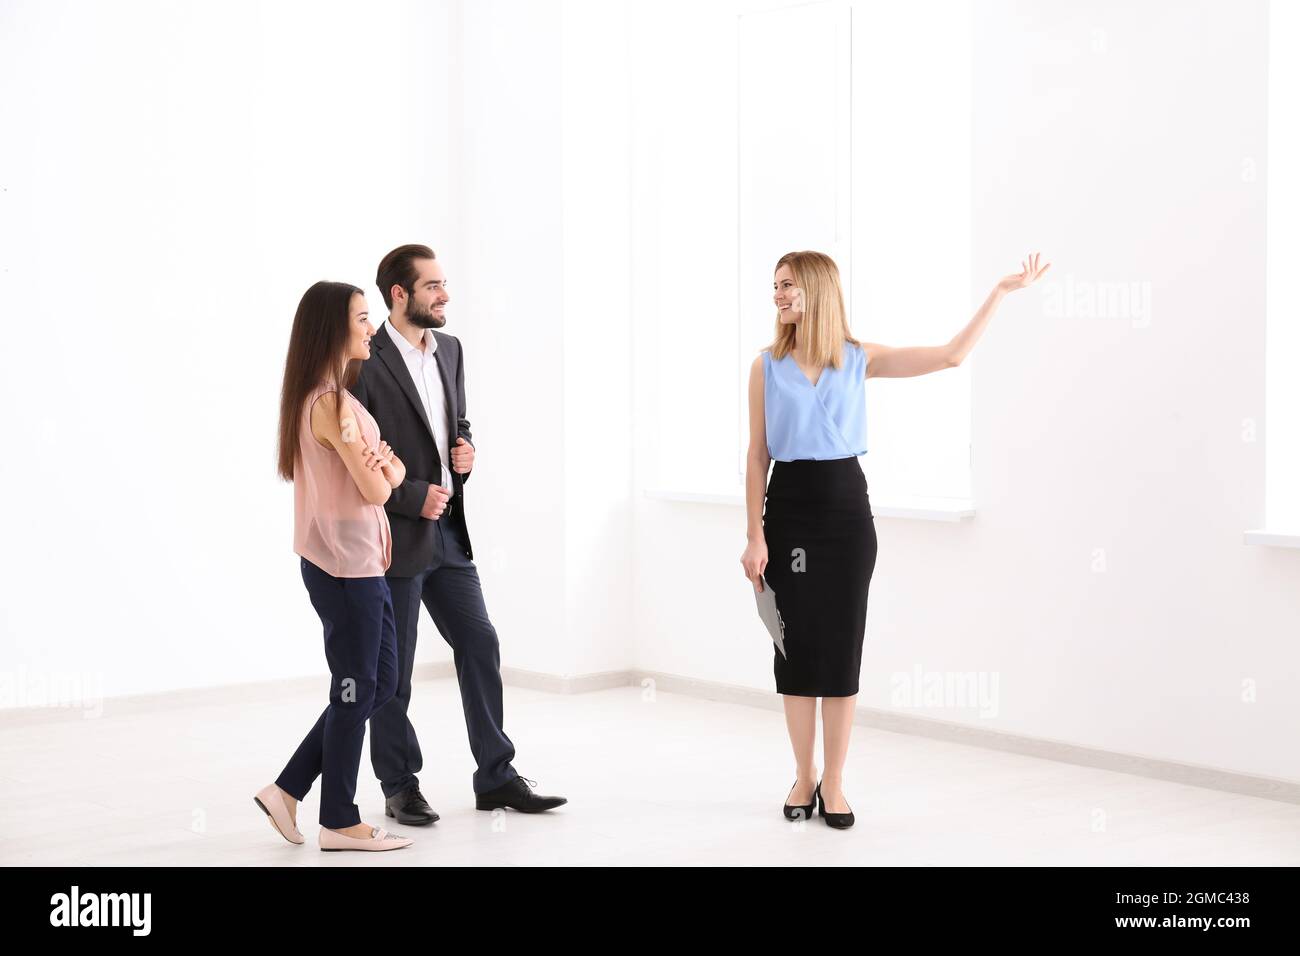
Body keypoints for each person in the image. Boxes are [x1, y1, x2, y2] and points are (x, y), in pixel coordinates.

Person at [740, 250, 1051, 829]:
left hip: (844, 515)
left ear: (816, 289)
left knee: (840, 648)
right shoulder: (765, 366)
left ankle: (833, 782)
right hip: (789, 511)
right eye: (774, 286)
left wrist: (1000, 293)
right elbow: (757, 455)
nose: (777, 295)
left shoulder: (859, 359)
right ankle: (802, 776)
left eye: (787, 285)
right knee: (795, 650)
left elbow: (951, 356)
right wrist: (754, 534)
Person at [352, 244, 566, 823]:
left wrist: (466, 452)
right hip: (394, 537)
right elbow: (356, 463)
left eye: (444, 285)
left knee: (480, 644)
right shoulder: (363, 361)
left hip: (449, 534)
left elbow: (455, 422)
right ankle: (399, 785)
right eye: (433, 287)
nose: (445, 295)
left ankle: (495, 775)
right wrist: (414, 494)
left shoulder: (450, 349)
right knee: (393, 674)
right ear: (399, 294)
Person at [253, 280, 413, 852]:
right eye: (363, 318)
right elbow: (378, 486)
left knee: (378, 682)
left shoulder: (338, 399)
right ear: (333, 327)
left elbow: (390, 474)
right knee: (354, 687)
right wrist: (380, 468)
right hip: (344, 568)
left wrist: (383, 469)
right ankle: (340, 819)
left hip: (362, 564)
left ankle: (288, 789)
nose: (371, 328)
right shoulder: (331, 404)